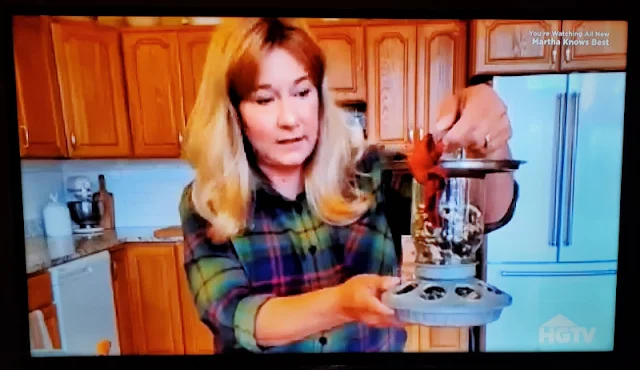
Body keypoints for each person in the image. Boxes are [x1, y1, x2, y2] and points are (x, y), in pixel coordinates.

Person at [178, 17, 518, 354]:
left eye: (302, 91)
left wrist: (489, 142)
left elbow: (485, 212)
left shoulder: (370, 172)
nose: (290, 118)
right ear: (233, 112)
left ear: (320, 96)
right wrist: (341, 304)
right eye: (264, 99)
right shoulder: (208, 203)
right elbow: (233, 315)